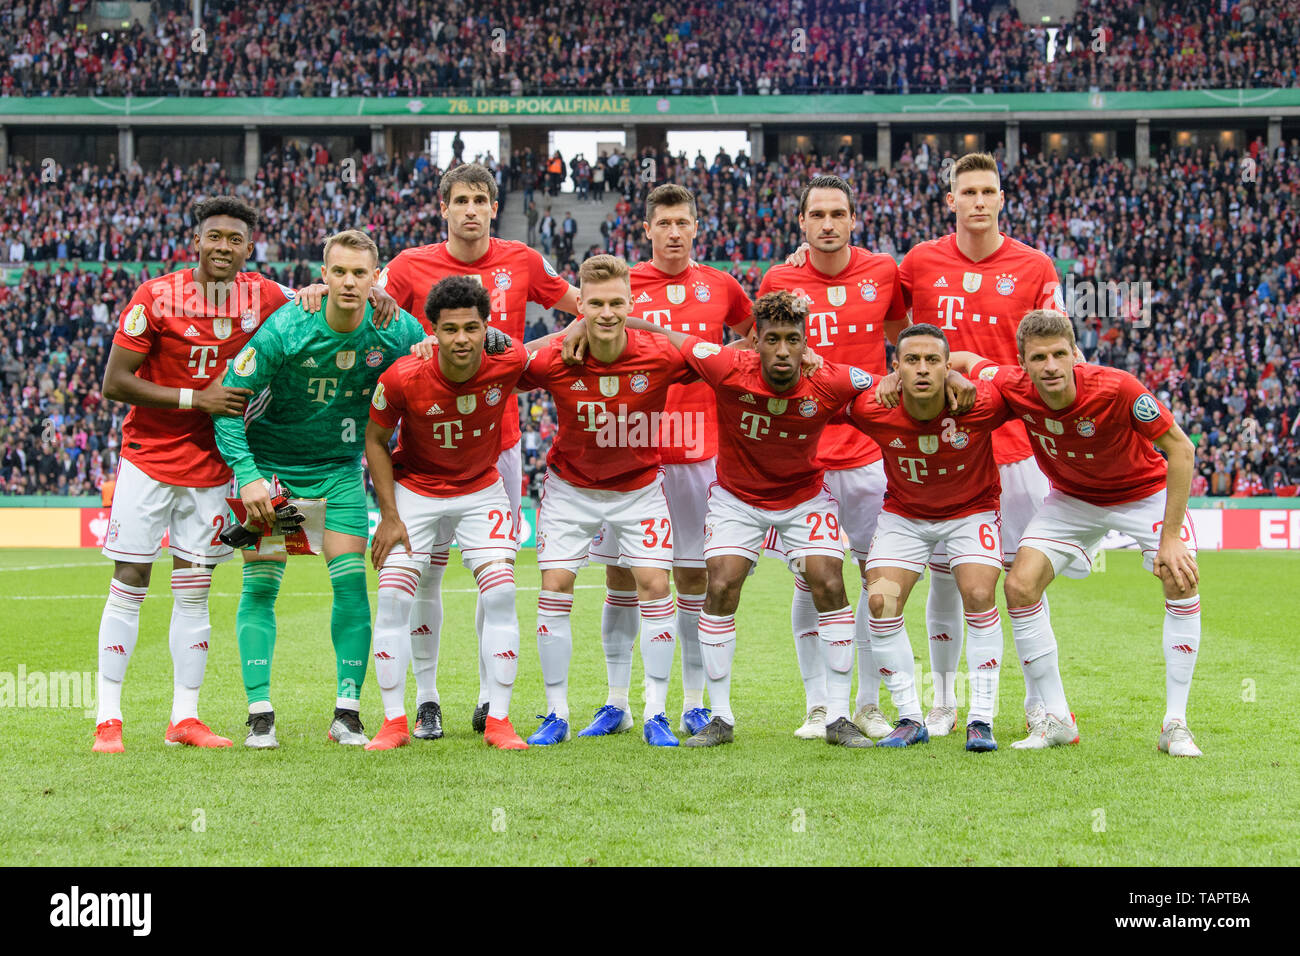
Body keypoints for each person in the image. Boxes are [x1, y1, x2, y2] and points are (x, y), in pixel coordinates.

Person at [378, 163, 578, 739]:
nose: (470, 209)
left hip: (499, 446)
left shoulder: (523, 259)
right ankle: (428, 698)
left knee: (496, 572)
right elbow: (362, 298)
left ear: (494, 207)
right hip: (424, 451)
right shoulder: (411, 265)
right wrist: (314, 289)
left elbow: (582, 308)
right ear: (443, 207)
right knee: (428, 576)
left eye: (480, 200)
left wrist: (522, 348)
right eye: (460, 200)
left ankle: (492, 700)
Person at [630, 290, 881, 747]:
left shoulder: (830, 379)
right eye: (771, 340)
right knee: (721, 584)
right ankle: (720, 718)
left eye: (792, 340)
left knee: (828, 580)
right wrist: (591, 325)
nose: (782, 351)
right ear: (754, 341)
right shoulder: (726, 366)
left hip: (804, 498)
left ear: (807, 343)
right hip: (736, 498)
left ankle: (838, 717)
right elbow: (669, 337)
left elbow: (887, 386)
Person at [93, 196, 298, 753]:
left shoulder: (267, 296)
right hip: (148, 458)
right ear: (197, 240)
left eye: (235, 240)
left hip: (212, 467)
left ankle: (185, 717)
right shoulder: (155, 296)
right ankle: (108, 719)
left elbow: (312, 307)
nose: (223, 247)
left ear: (249, 249)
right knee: (130, 581)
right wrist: (196, 398)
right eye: (215, 237)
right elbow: (115, 382)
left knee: (194, 589)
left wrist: (366, 295)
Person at [948, 310, 1203, 755]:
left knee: (1179, 577)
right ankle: (1058, 718)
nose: (1050, 366)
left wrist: (1172, 536)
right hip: (1071, 500)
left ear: (1074, 355)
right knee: (1020, 586)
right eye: (1039, 357)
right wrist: (951, 373)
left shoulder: (1118, 388)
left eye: (1059, 354)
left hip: (1143, 494)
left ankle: (1175, 724)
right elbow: (967, 359)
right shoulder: (1011, 382)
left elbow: (1180, 449)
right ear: (1022, 362)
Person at [212, 230, 427, 749]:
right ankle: (259, 713)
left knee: (351, 584)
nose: (350, 281)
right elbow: (225, 401)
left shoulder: (395, 329)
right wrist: (247, 474)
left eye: (361, 272)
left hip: (338, 470)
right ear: (322, 276)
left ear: (378, 278)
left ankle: (347, 714)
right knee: (262, 588)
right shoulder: (287, 326)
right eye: (340, 272)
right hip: (274, 473)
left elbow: (435, 355)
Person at [564, 184, 753, 739]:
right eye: (664, 223)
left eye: (683, 222)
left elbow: (753, 339)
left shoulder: (722, 286)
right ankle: (616, 701)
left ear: (697, 227)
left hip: (698, 450)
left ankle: (694, 702)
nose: (674, 232)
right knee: (622, 576)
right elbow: (586, 324)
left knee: (695, 575)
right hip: (629, 448)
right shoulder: (624, 286)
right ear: (647, 229)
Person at [897, 152, 1067, 739]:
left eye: (986, 190)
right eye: (965, 191)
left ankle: (1041, 704)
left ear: (1001, 198)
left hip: (1015, 441)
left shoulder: (1034, 265)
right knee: (947, 575)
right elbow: (884, 320)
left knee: (1024, 578)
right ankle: (944, 701)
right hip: (941, 443)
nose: (977, 200)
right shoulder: (919, 262)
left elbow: (1058, 349)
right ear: (950, 201)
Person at [517, 255, 698, 747]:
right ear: (580, 304)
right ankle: (556, 712)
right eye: (594, 304)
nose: (607, 312)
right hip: (570, 489)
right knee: (554, 584)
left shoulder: (659, 353)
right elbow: (506, 362)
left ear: (631, 302)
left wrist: (636, 323)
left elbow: (718, 355)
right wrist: (563, 332)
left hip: (639, 490)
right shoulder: (560, 355)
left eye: (617, 302)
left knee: (655, 584)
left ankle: (656, 711)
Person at [762, 174, 907, 741]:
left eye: (837, 214)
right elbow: (763, 355)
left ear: (853, 219)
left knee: (875, 581)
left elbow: (901, 335)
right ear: (801, 222)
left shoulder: (883, 272)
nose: (827, 223)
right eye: (816, 214)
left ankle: (868, 704)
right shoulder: (780, 279)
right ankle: (820, 705)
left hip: (870, 456)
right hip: (806, 457)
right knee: (811, 580)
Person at [365, 276, 529, 751]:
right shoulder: (401, 376)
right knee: (394, 596)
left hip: (481, 489)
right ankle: (395, 721)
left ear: (486, 328)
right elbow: (375, 441)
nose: (462, 339)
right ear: (431, 329)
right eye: (451, 328)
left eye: (472, 329)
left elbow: (544, 351)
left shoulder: (509, 361)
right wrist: (390, 515)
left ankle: (499, 720)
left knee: (500, 592)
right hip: (415, 489)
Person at [846, 324, 1005, 751]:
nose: (922, 369)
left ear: (947, 367)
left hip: (971, 512)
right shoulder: (872, 407)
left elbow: (1020, 384)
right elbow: (823, 389)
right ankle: (910, 717)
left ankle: (980, 720)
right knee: (880, 599)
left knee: (976, 593)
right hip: (905, 515)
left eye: (933, 360)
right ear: (895, 368)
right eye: (911, 360)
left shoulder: (982, 402)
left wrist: (967, 373)